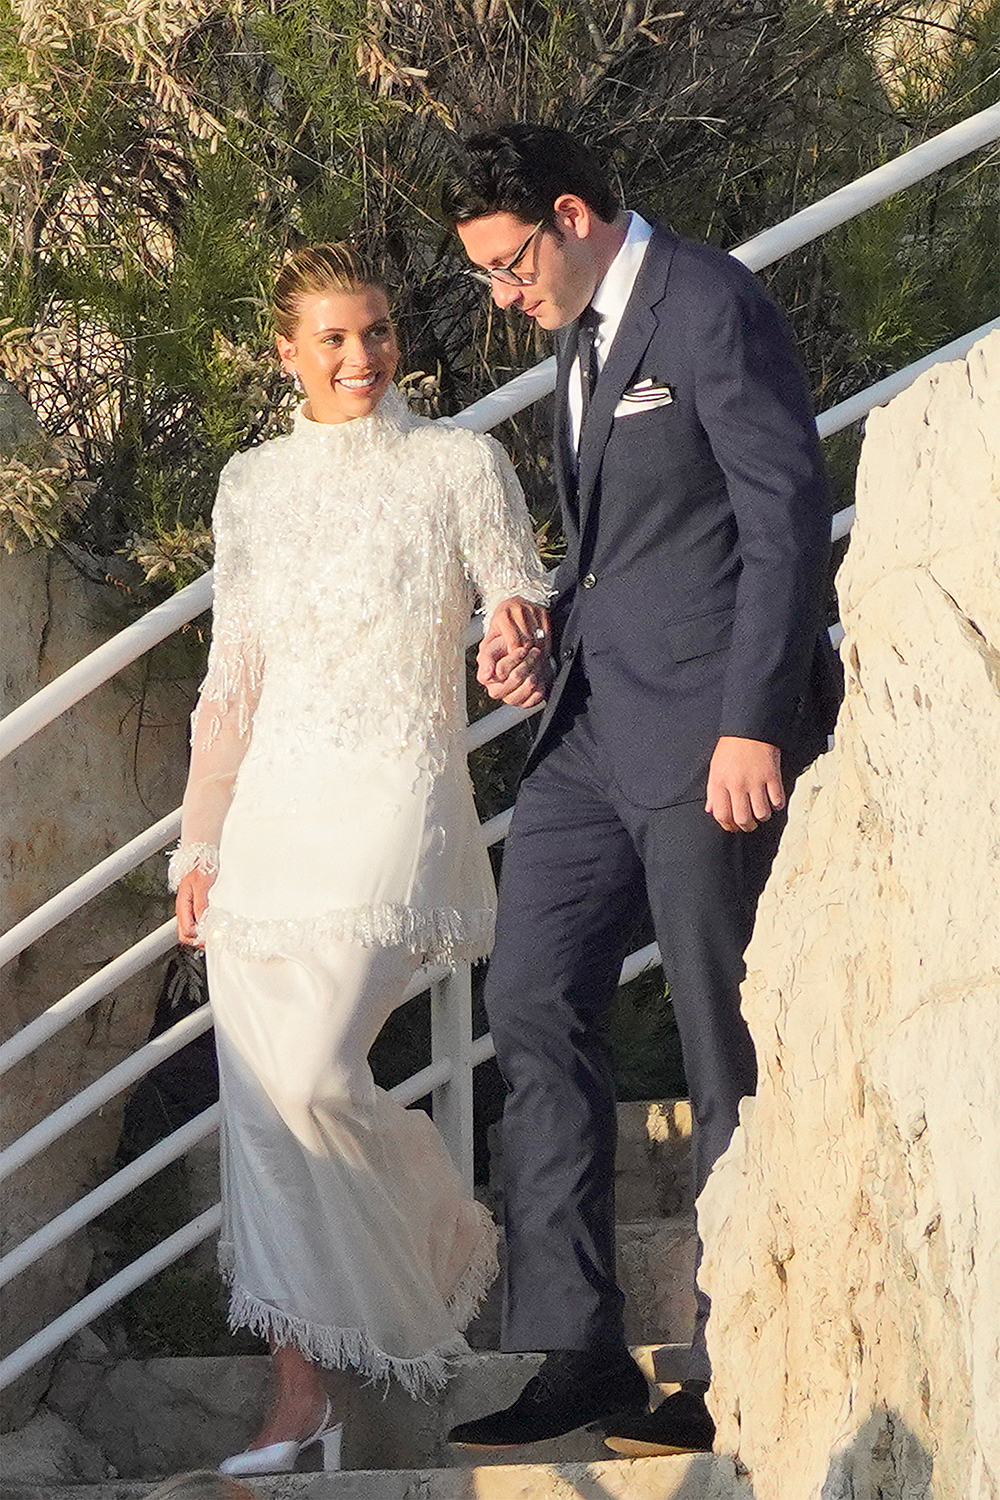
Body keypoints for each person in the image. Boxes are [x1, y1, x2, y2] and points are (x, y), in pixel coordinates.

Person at [442, 124, 841, 1457]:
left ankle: (739, 1360)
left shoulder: (712, 305)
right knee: (533, 1002)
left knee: (723, 1039)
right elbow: (636, 543)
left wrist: (753, 724)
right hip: (591, 732)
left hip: (709, 736)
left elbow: (784, 519)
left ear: (571, 214)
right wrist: (545, 622)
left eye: (508, 265)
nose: (503, 296)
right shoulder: (579, 331)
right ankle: (579, 1352)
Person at [169, 242, 552, 1474]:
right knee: (264, 1106)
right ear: (286, 353)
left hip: (394, 796)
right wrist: (200, 837)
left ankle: (436, 1225)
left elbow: (514, 593)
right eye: (332, 339)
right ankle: (303, 1401)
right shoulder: (253, 486)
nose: (361, 358)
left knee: (321, 1075)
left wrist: (512, 632)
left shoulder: (459, 464)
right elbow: (234, 681)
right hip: (269, 816)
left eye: (377, 332)